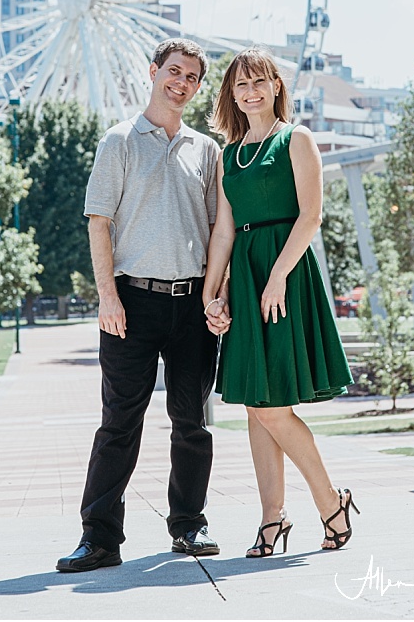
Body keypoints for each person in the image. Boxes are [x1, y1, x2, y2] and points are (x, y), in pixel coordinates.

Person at [56, 39, 221, 573]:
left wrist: (217, 295)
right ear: (154, 72)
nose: (182, 83)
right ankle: (100, 537)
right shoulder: (119, 141)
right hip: (130, 301)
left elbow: (220, 231)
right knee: (119, 422)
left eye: (193, 77)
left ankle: (189, 525)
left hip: (192, 304)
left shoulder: (207, 149)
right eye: (174, 72)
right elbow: (98, 222)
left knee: (191, 420)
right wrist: (107, 297)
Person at [202, 47, 359, 558]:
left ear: (275, 86)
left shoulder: (297, 139)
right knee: (256, 403)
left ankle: (329, 501)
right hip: (245, 276)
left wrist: (276, 278)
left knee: (270, 407)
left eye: (258, 82)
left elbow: (310, 216)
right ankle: (273, 518)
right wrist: (214, 289)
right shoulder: (229, 154)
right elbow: (224, 229)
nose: (249, 92)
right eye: (240, 85)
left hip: (284, 275)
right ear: (232, 94)